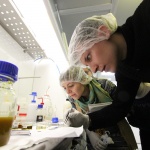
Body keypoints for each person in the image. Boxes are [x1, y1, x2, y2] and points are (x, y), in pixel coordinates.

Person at [67, 1, 150, 149]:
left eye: (88, 57)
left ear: (103, 32)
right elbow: (120, 108)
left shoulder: (145, 16)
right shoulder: (125, 71)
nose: (93, 70)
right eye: (87, 66)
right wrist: (87, 121)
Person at [60, 66, 137, 150]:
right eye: (64, 88)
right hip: (95, 143)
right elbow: (81, 121)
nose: (68, 91)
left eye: (70, 85)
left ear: (82, 80)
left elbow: (124, 109)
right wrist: (90, 134)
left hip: (118, 137)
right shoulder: (73, 99)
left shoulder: (104, 86)